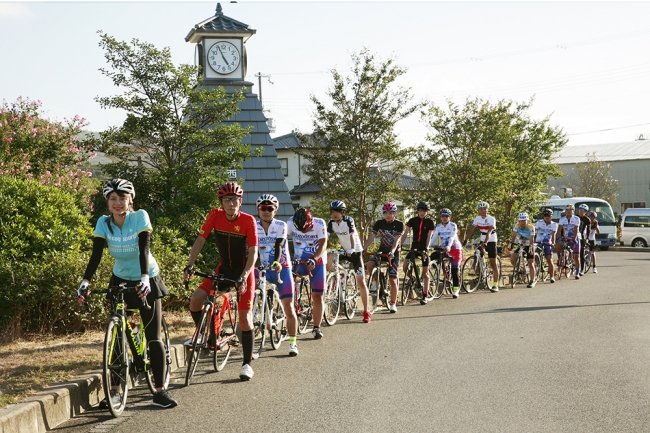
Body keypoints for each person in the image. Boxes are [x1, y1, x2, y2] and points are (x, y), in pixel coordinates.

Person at [77, 179, 177, 409]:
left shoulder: (139, 216)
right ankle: (114, 391)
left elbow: (144, 248)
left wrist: (144, 278)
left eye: (122, 198)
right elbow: (96, 256)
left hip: (147, 277)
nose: (118, 203)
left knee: (153, 336)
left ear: (130, 199)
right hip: (120, 278)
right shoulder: (103, 223)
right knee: (117, 338)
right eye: (113, 199)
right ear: (107, 202)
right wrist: (85, 282)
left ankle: (160, 391)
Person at [183, 182, 258, 381]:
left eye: (234, 199)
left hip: (244, 272)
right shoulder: (215, 216)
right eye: (227, 200)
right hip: (224, 268)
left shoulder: (249, 220)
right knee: (196, 300)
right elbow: (200, 240)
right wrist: (190, 264)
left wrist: (243, 276)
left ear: (240, 201)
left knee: (244, 319)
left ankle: (247, 364)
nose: (231, 203)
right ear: (221, 202)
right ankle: (208, 335)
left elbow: (253, 253)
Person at [255, 194, 299, 356]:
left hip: (281, 268)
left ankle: (293, 343)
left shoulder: (281, 225)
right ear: (258, 210)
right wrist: (257, 263)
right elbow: (251, 248)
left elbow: (279, 244)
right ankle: (259, 313)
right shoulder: (253, 226)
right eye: (262, 208)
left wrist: (276, 262)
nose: (266, 211)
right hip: (260, 268)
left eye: (270, 208)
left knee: (288, 307)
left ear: (275, 210)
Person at [326, 200, 372, 323]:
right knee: (328, 259)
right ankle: (339, 278)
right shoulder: (331, 222)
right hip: (344, 250)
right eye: (333, 211)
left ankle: (366, 311)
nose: (335, 214)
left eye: (337, 212)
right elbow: (326, 236)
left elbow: (352, 234)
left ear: (343, 212)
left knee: (361, 282)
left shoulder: (348, 220)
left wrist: (352, 249)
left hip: (355, 251)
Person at [287, 208, 328, 338]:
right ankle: (295, 302)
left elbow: (323, 244)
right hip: (299, 260)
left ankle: (316, 327)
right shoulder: (290, 222)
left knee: (317, 296)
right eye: (300, 230)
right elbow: (281, 241)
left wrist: (314, 259)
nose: (303, 232)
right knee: (288, 288)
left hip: (317, 261)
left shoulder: (319, 223)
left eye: (305, 229)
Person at [362, 202, 403, 313]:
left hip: (394, 252)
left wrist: (392, 252)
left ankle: (393, 303)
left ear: (395, 213)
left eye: (391, 213)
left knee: (393, 280)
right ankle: (376, 280)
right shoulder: (379, 223)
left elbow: (396, 240)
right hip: (382, 249)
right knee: (370, 265)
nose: (388, 215)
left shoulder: (399, 224)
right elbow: (371, 236)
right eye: (385, 213)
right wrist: (363, 248)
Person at [400, 201, 435, 304]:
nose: (422, 213)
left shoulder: (430, 222)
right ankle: (413, 278)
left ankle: (425, 294)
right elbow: (405, 233)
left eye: (424, 211)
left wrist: (427, 248)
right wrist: (400, 245)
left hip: (424, 248)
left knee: (425, 273)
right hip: (414, 247)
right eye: (420, 210)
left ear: (427, 212)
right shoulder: (412, 220)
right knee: (405, 266)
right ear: (418, 211)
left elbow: (429, 236)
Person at [463, 201, 500, 292]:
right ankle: (481, 274)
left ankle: (495, 285)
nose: (483, 211)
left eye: (485, 209)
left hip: (491, 240)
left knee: (493, 263)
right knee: (477, 257)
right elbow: (471, 230)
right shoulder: (477, 219)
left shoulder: (491, 219)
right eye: (481, 209)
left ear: (488, 210)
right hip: (482, 238)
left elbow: (489, 232)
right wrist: (465, 240)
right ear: (478, 211)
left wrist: (485, 243)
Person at [428, 208, 463, 298]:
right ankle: (436, 275)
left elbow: (452, 237)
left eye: (446, 216)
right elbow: (434, 237)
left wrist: (449, 246)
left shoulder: (452, 225)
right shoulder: (439, 227)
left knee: (455, 271)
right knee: (434, 255)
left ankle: (455, 290)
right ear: (440, 217)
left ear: (449, 217)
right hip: (444, 248)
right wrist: (428, 246)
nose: (444, 218)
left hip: (455, 248)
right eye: (442, 216)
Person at [508, 212, 536, 288]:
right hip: (520, 245)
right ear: (518, 221)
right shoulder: (516, 226)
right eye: (521, 221)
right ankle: (519, 269)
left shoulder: (531, 227)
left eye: (524, 221)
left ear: (527, 221)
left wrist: (530, 246)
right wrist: (511, 244)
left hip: (529, 245)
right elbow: (514, 236)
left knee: (530, 262)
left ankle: (532, 280)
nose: (523, 222)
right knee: (513, 258)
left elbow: (531, 238)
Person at [556, 204, 582, 280]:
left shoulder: (576, 218)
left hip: (575, 237)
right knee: (558, 245)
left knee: (576, 256)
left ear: (573, 211)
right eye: (567, 210)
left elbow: (576, 229)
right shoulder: (562, 219)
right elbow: (559, 229)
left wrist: (575, 238)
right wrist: (557, 237)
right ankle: (559, 258)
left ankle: (577, 272)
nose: (568, 211)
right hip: (565, 237)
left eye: (570, 210)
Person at [535, 208, 558, 283]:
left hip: (548, 243)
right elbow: (534, 232)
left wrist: (553, 242)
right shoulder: (539, 222)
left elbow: (554, 234)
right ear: (543, 216)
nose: (547, 217)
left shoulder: (554, 224)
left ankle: (551, 276)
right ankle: (536, 271)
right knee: (535, 257)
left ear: (552, 216)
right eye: (545, 215)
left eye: (548, 215)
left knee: (549, 259)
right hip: (538, 242)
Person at [577, 204, 591, 276]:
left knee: (581, 253)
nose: (580, 211)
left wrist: (587, 239)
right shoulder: (576, 217)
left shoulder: (587, 219)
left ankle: (581, 270)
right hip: (575, 235)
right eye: (579, 209)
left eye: (582, 210)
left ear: (585, 212)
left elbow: (588, 230)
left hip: (582, 237)